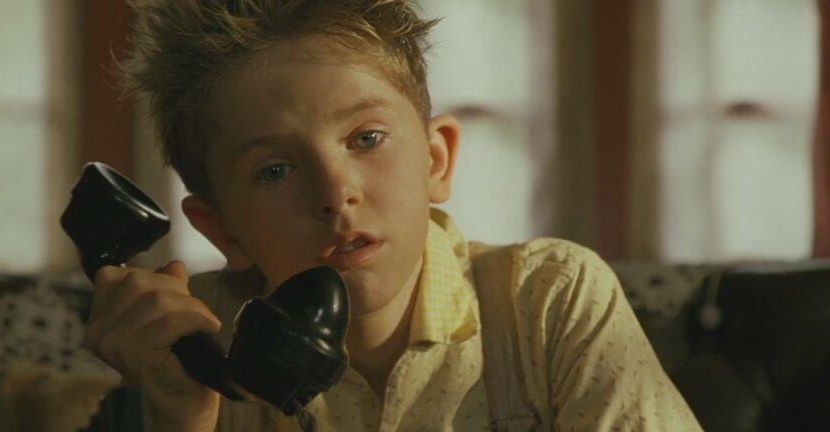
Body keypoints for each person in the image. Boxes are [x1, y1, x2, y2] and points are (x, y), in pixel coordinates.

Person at [82, 1, 703, 431]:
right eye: (274, 170)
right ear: (221, 228)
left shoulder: (548, 301)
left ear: (437, 160)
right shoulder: (190, 349)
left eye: (367, 138)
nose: (336, 193)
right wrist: (180, 418)